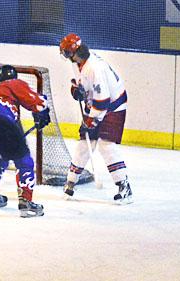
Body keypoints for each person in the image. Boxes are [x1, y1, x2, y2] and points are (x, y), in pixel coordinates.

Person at [59, 33, 132, 203]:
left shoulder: (94, 68)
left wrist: (91, 121)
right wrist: (76, 91)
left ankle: (125, 187)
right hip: (96, 106)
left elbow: (103, 100)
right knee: (85, 144)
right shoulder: (78, 63)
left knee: (106, 145)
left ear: (73, 52)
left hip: (114, 106)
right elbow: (80, 86)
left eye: (66, 53)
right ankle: (70, 182)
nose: (66, 56)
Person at [0, 65, 50, 217]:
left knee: (0, 157)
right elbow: (38, 103)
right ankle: (26, 202)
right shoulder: (13, 83)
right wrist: (43, 113)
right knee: (24, 161)